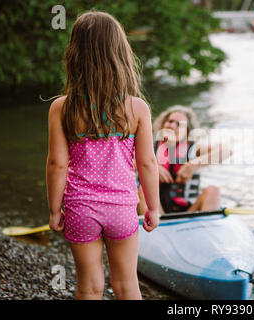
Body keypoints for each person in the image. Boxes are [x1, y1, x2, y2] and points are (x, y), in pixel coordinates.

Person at [46, 11, 160, 300]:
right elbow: (147, 163)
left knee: (89, 286)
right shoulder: (136, 108)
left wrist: (54, 209)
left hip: (80, 207)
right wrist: (153, 207)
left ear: (75, 54)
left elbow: (57, 164)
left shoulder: (62, 107)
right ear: (120, 54)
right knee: (126, 285)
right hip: (121, 207)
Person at [139, 105, 231, 214]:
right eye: (170, 121)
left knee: (213, 190)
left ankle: (203, 226)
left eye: (179, 124)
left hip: (188, 212)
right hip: (158, 212)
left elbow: (226, 151)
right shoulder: (148, 148)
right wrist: (152, 167)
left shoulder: (194, 149)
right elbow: (128, 160)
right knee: (144, 190)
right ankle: (155, 228)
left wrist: (195, 164)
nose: (172, 126)